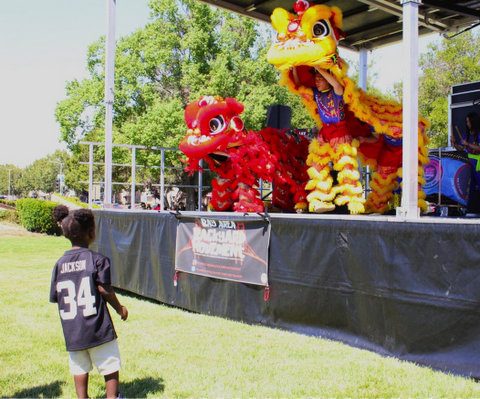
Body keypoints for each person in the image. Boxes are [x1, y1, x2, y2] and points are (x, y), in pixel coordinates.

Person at [50, 205, 128, 399]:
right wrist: (120, 309)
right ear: (91, 232)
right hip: (97, 327)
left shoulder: (59, 264)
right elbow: (104, 289)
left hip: (73, 330)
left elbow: (56, 296)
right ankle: (113, 397)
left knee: (79, 367)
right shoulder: (98, 260)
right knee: (109, 364)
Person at [290, 66, 365, 213]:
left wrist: (319, 67)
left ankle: (353, 203)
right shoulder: (316, 93)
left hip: (340, 133)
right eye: (315, 79)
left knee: (346, 168)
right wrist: (294, 70)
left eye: (320, 79)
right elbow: (299, 87)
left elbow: (337, 85)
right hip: (325, 133)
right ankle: (319, 200)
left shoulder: (337, 92)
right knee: (317, 165)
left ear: (328, 79)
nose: (316, 81)